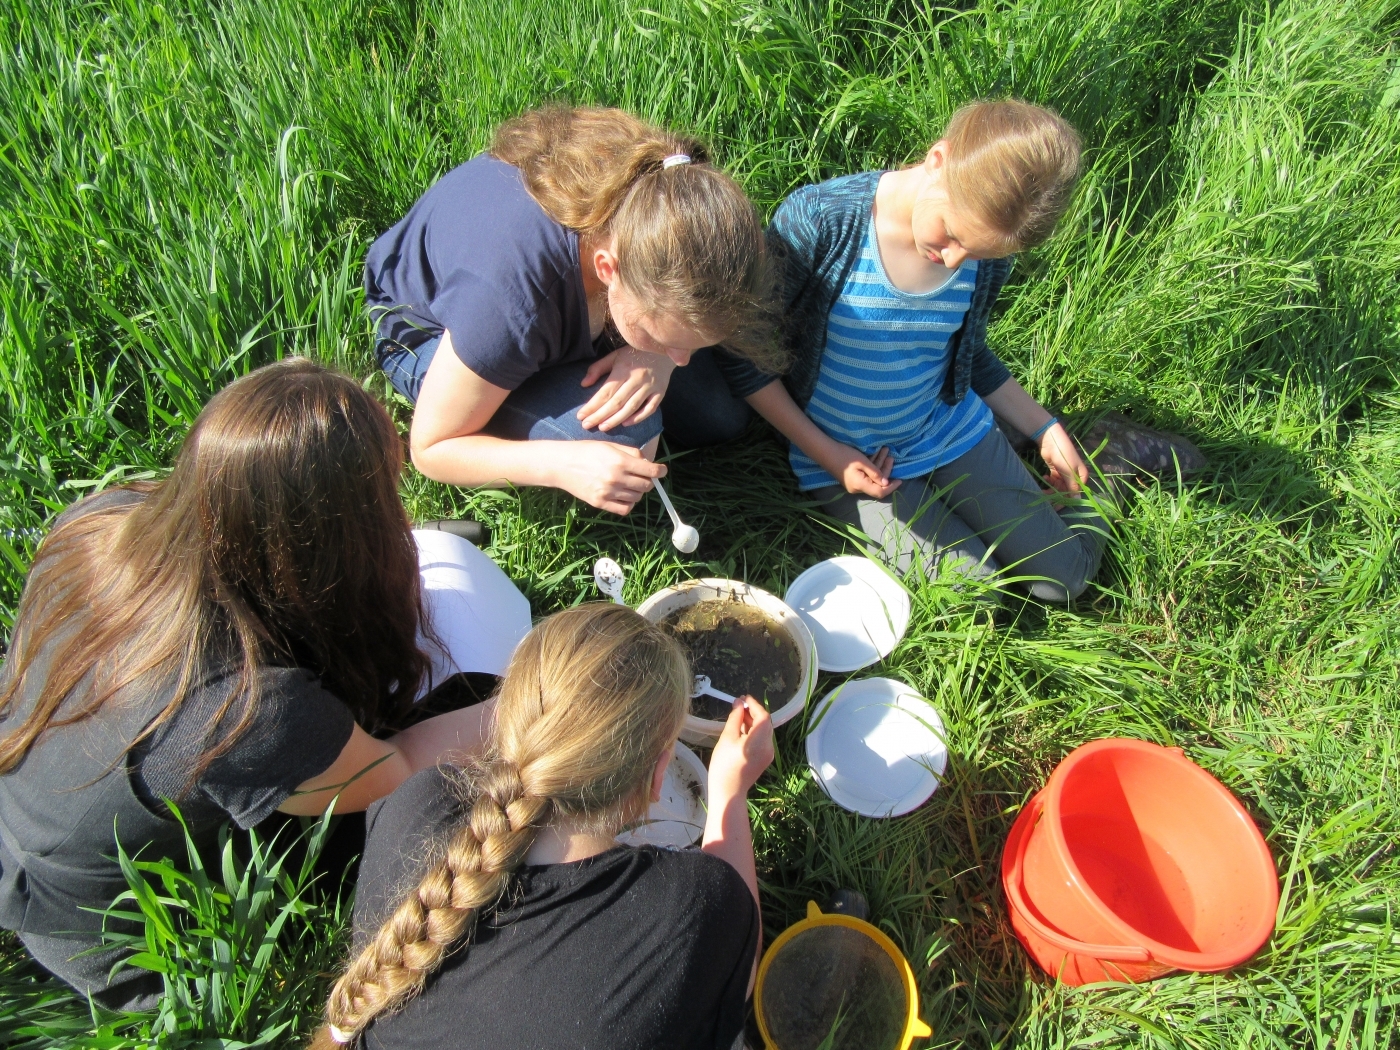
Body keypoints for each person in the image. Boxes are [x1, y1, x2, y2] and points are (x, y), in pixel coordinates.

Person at [0, 359, 503, 1009]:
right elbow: (396, 766)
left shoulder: (100, 520)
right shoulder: (252, 710)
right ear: (320, 553)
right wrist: (540, 690)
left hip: (29, 812)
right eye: (383, 508)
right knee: (445, 764)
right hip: (114, 928)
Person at [718, 99, 1197, 601]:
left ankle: (1112, 458)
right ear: (937, 161)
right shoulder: (822, 222)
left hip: (944, 427)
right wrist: (830, 455)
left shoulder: (982, 259)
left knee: (1063, 581)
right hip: (844, 456)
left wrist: (1044, 426)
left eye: (979, 251)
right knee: (976, 596)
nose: (954, 258)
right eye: (951, 234)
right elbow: (746, 356)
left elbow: (968, 354)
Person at [311, 604, 772, 1050]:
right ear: (659, 777)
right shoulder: (690, 911)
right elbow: (740, 966)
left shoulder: (415, 805)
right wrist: (730, 793)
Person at [367, 106, 782, 517]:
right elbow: (432, 448)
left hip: (545, 307)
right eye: (659, 338)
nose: (681, 359)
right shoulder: (516, 302)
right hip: (428, 332)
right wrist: (561, 465)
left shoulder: (669, 197)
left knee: (720, 415)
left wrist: (655, 356)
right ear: (608, 270)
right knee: (629, 441)